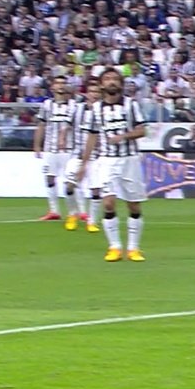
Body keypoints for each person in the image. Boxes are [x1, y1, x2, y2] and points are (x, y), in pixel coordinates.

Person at [78, 68, 148, 262]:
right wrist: (83, 164)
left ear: (121, 83)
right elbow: (92, 136)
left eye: (115, 79)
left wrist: (123, 136)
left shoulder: (131, 105)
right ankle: (114, 247)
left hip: (130, 159)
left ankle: (133, 248)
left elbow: (142, 131)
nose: (111, 82)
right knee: (108, 203)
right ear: (101, 84)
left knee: (134, 206)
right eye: (107, 79)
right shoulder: (95, 109)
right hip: (106, 160)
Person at [34, 75, 81, 223]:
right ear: (52, 87)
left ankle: (75, 211)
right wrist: (37, 145)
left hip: (69, 149)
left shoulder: (75, 105)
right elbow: (41, 125)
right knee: (49, 178)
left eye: (63, 83)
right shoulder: (47, 105)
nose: (61, 86)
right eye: (58, 83)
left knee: (70, 181)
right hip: (50, 148)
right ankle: (54, 210)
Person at [63, 80, 103, 233]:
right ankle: (73, 214)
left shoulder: (103, 111)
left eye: (97, 92)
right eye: (91, 91)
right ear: (87, 94)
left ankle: (92, 221)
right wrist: (62, 136)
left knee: (96, 190)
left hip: (97, 156)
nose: (94, 94)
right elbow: (67, 125)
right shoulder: (77, 109)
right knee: (69, 185)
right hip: (77, 154)